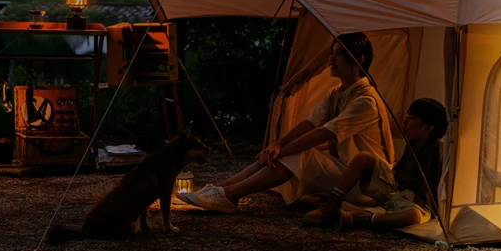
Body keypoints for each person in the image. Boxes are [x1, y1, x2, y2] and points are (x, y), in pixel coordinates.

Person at [178, 32, 394, 213]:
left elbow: (321, 134)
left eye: (339, 54)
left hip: (370, 185)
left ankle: (230, 195)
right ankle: (221, 188)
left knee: (302, 153)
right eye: (332, 52)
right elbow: (310, 123)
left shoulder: (367, 100)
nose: (331, 59)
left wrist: (281, 150)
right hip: (345, 171)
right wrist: (277, 145)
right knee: (287, 150)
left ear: (359, 59)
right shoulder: (337, 93)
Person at [304, 97, 448, 231]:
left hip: (414, 201)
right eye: (405, 118)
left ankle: (362, 218)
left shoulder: (436, 148)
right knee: (364, 158)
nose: (404, 123)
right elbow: (400, 171)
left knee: (413, 216)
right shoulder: (412, 143)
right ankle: (332, 205)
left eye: (410, 119)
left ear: (428, 128)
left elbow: (430, 190)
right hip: (396, 187)